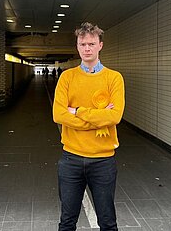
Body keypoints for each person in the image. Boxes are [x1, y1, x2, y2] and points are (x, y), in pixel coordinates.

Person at [53, 22, 125, 231]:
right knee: (67, 221)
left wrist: (77, 111)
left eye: (91, 43)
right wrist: (98, 118)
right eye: (82, 44)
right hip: (71, 159)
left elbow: (115, 116)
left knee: (108, 222)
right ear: (77, 46)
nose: (87, 48)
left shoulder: (114, 78)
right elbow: (58, 114)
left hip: (103, 160)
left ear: (100, 45)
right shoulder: (67, 77)